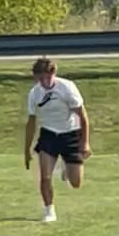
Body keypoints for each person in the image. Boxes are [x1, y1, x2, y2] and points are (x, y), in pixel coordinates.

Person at [24, 56, 90, 223]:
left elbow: (82, 116)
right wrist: (27, 150)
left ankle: (66, 167)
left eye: (46, 77)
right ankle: (49, 211)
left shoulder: (67, 88)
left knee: (76, 183)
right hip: (49, 135)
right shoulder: (34, 93)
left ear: (53, 73)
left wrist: (85, 142)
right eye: (40, 79)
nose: (44, 82)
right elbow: (31, 122)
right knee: (45, 176)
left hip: (71, 133)